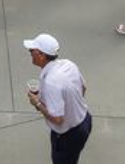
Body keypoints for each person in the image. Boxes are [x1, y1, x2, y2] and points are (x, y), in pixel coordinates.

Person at [24, 34, 91, 164]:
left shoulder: (51, 82)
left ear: (41, 55)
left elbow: (58, 120)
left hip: (68, 136)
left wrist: (37, 103)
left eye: (32, 51)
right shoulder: (68, 64)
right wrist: (72, 106)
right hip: (85, 120)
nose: (30, 53)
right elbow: (83, 88)